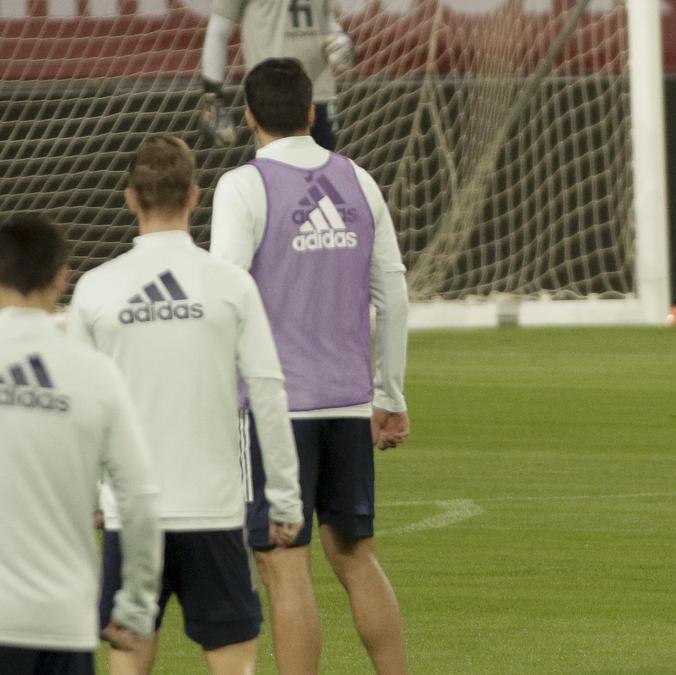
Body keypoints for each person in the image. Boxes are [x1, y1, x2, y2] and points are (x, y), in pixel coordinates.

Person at [67, 135, 305, 674]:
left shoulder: (96, 289)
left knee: (128, 667)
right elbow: (267, 390)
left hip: (132, 517)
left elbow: (80, 410)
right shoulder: (231, 285)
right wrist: (285, 499)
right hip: (215, 512)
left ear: (130, 197)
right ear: (195, 196)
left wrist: (88, 495)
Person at [210, 58, 411, 674]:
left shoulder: (243, 187)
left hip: (275, 410)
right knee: (356, 555)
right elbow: (394, 294)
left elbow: (225, 297)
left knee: (283, 562)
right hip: (349, 402)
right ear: (312, 113)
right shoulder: (358, 179)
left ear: (249, 117)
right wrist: (390, 395)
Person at [0, 214, 161, 674]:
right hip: (63, 621)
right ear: (61, 276)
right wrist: (134, 603)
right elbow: (139, 498)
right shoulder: (95, 372)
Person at [198, 0, 353, 150]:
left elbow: (325, 17)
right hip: (273, 96)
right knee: (278, 169)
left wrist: (340, 39)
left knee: (324, 170)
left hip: (319, 92)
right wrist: (213, 97)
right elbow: (219, 30)